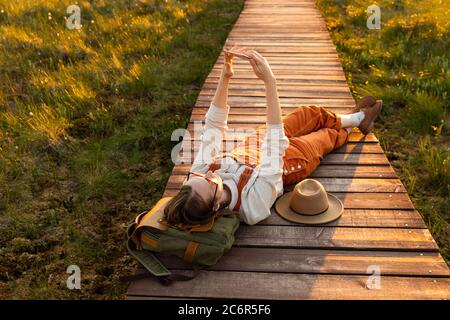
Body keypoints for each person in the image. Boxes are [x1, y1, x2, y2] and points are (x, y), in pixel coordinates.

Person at [164, 47, 382, 226]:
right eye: (211, 184)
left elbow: (214, 127)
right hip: (287, 161)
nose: (209, 175)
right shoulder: (252, 206)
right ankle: (358, 119)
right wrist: (270, 82)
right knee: (325, 136)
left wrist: (226, 77)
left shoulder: (198, 179)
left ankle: (354, 118)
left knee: (309, 113)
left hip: (254, 144)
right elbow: (275, 146)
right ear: (214, 206)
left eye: (199, 177)